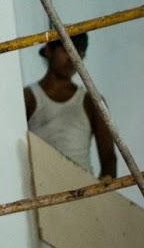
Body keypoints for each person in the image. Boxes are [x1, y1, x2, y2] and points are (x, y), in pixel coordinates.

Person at [24, 32, 116, 179]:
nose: (72, 59)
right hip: (42, 187)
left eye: (79, 54)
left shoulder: (92, 101)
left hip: (82, 190)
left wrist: (102, 196)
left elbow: (109, 159)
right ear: (49, 51)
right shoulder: (29, 97)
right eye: (67, 50)